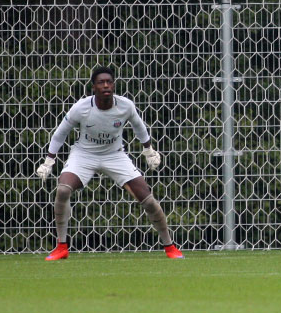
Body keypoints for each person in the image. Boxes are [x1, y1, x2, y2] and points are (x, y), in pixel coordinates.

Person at [36, 66, 183, 260]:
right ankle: (61, 247)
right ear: (93, 87)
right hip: (84, 154)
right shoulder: (81, 107)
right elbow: (60, 133)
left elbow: (139, 127)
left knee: (148, 200)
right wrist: (49, 160)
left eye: (109, 82)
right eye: (101, 82)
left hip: (115, 155)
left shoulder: (125, 106)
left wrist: (148, 150)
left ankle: (170, 246)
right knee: (62, 190)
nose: (106, 85)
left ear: (113, 84)